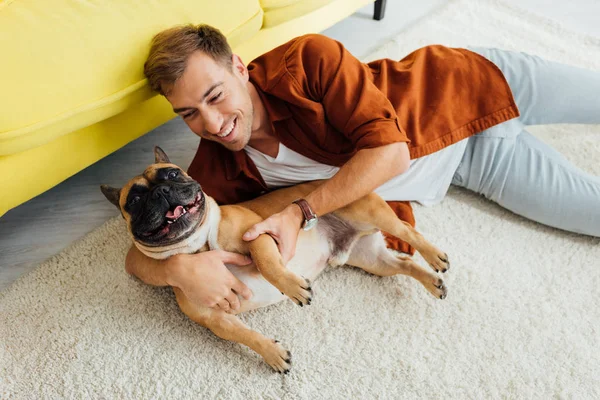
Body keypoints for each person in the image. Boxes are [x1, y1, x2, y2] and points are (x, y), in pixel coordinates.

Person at [126, 24, 600, 313]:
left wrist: (300, 211)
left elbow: (392, 154)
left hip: (473, 84)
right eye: (188, 113)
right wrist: (179, 273)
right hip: (475, 166)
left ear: (239, 67)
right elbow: (136, 256)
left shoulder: (307, 60)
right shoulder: (214, 170)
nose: (211, 123)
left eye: (215, 96)